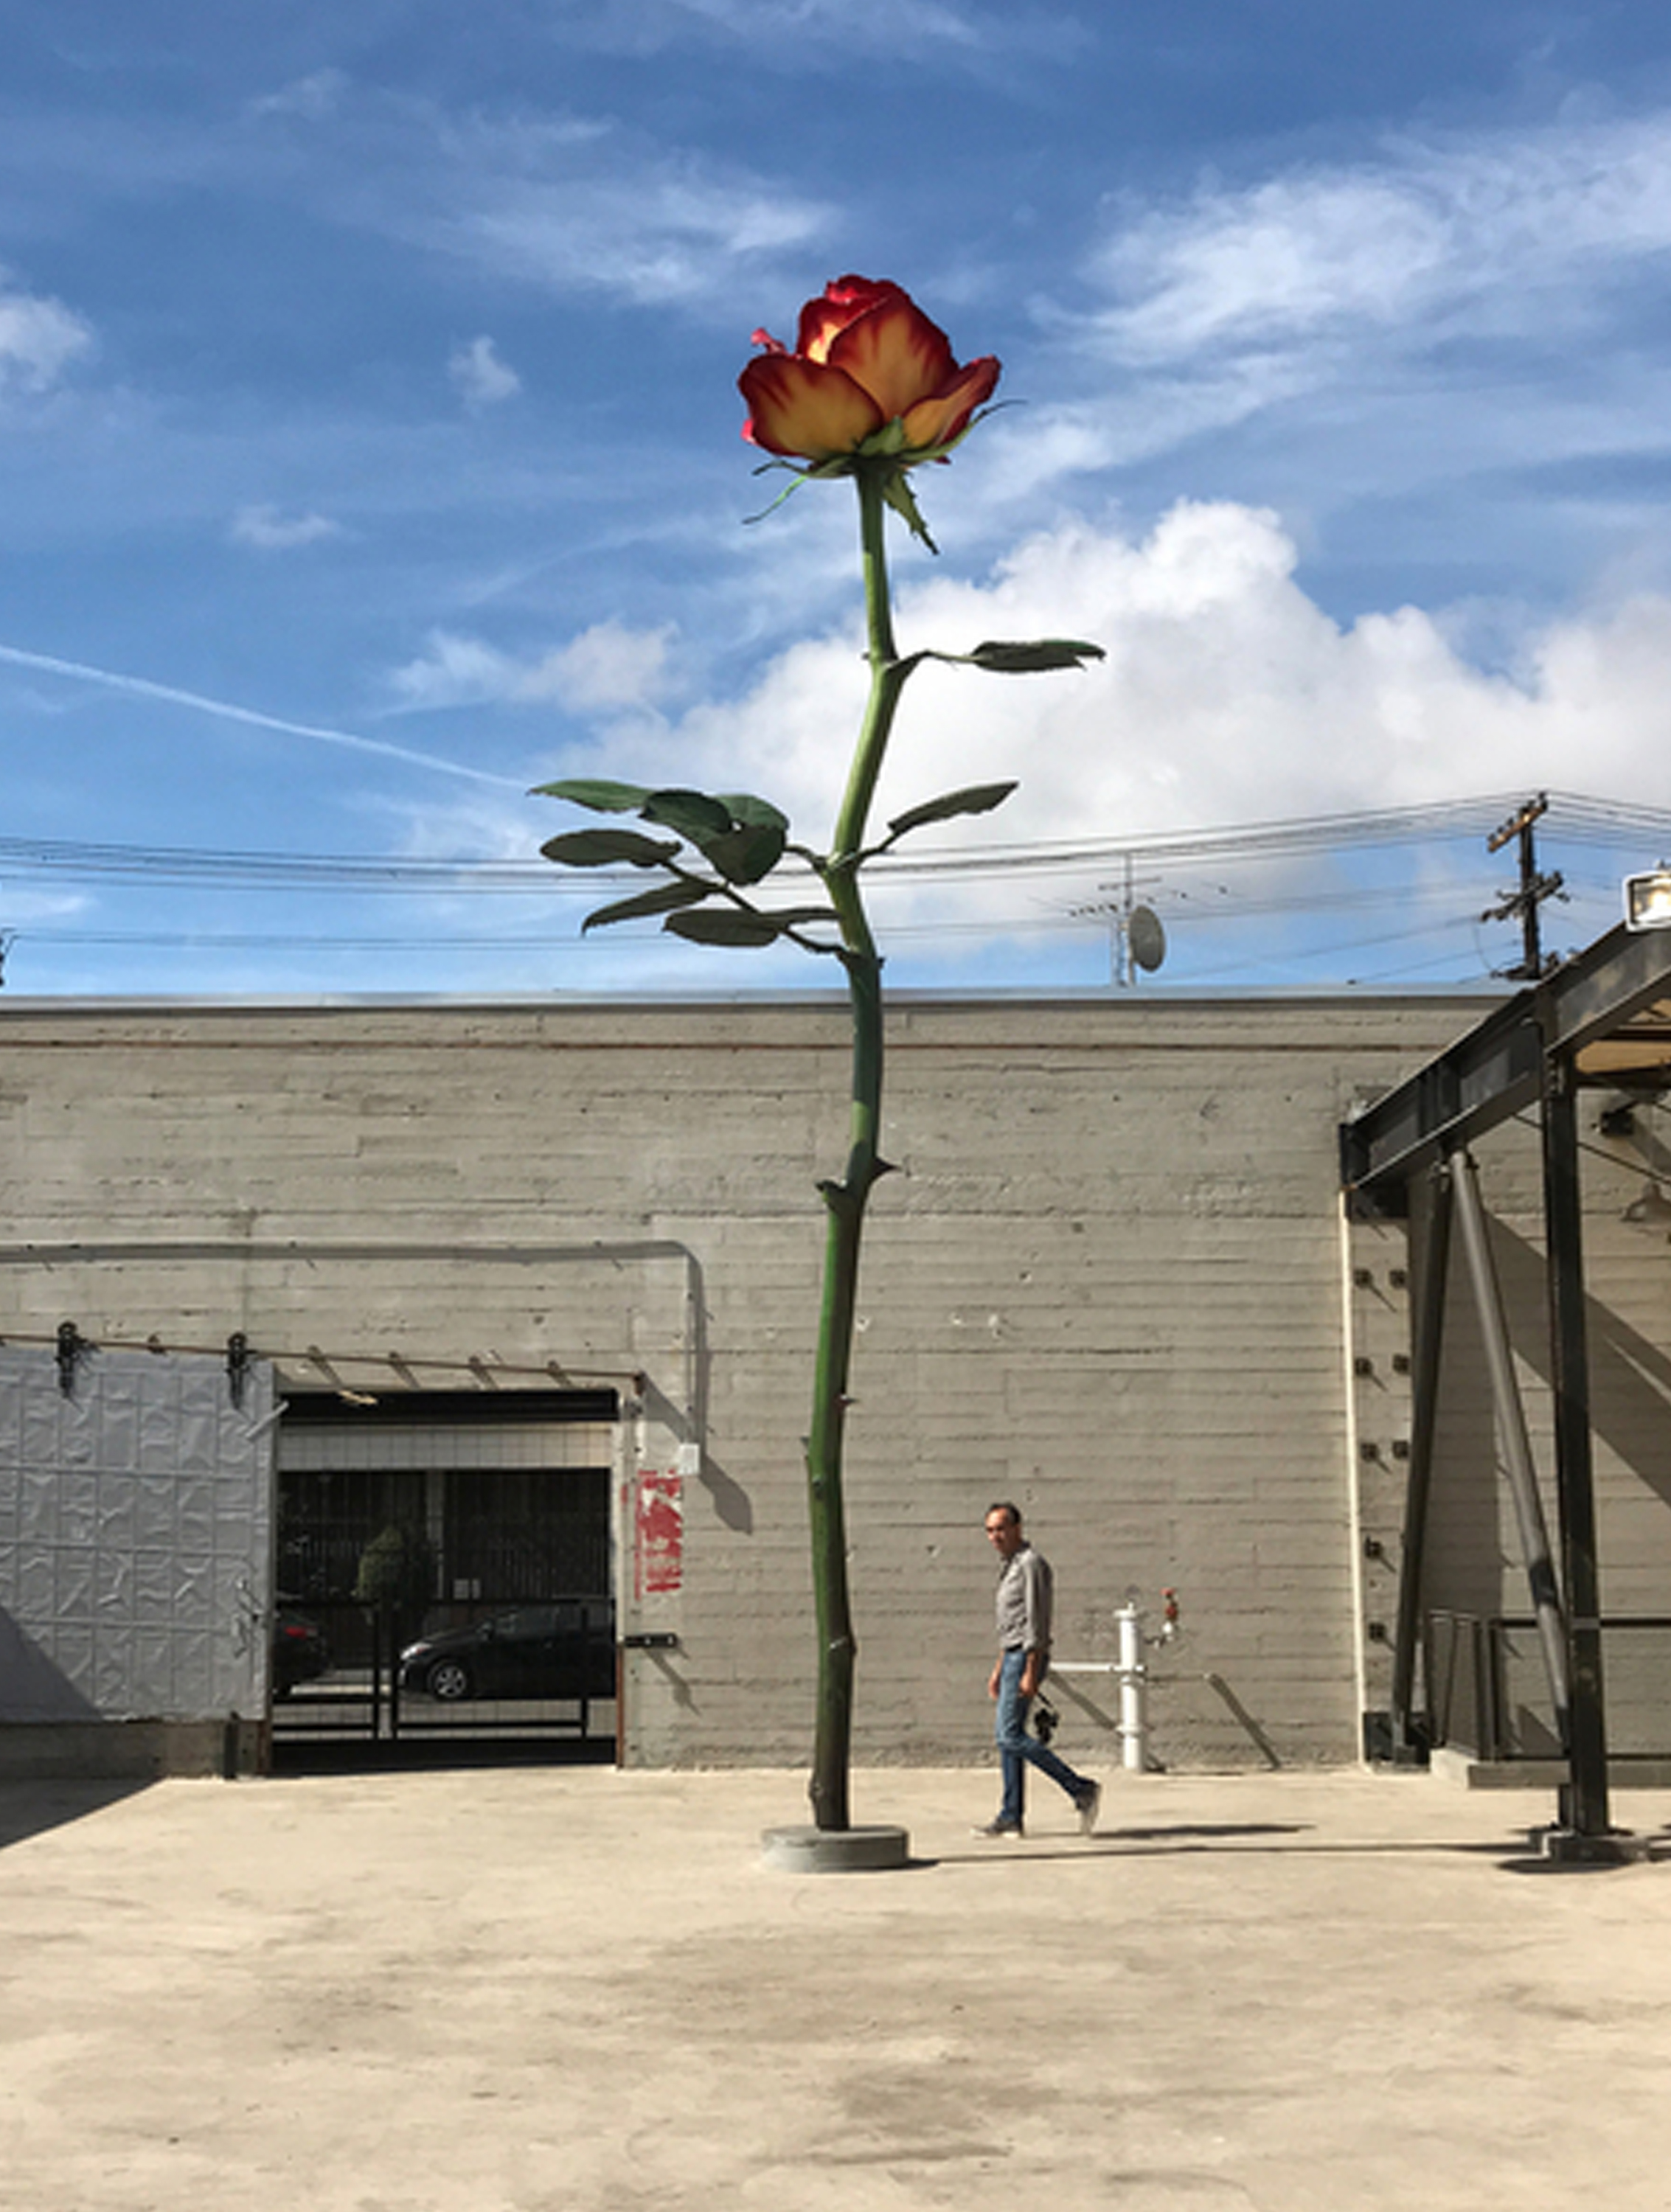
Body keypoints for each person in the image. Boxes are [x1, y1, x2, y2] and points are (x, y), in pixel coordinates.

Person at [974, 1502, 1101, 1838]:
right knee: (1008, 1740)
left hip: (1026, 1657)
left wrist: (1031, 1669)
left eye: (1001, 1529)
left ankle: (1081, 1789)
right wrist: (999, 1667)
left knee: (1009, 1735)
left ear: (1017, 1528)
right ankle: (1011, 1816)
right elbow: (1011, 1624)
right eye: (989, 1530)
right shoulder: (1010, 1566)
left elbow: (1037, 1621)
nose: (995, 1537)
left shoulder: (1031, 1564)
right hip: (1012, 1657)